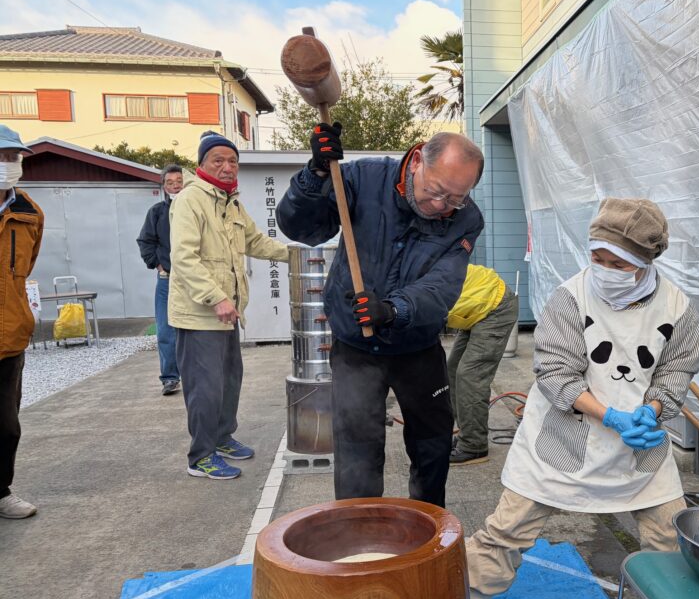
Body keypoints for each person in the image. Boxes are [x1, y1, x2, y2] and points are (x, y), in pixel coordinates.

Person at [464, 198, 699, 599]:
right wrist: (609, 415)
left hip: (639, 442)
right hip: (564, 436)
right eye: (598, 257)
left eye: (619, 262)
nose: (605, 268)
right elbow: (555, 372)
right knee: (508, 529)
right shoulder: (570, 298)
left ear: (645, 261)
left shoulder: (677, 306)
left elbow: (677, 369)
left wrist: (653, 410)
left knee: (668, 532)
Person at [277, 126, 485, 507]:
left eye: (456, 198)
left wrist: (394, 309)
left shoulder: (466, 219)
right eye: (437, 191)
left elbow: (443, 285)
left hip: (417, 345)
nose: (442, 206)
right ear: (419, 160)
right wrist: (316, 176)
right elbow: (303, 229)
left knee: (432, 446)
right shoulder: (363, 178)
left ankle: (427, 531)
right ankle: (359, 533)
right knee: (357, 448)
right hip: (355, 348)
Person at [169, 131, 288, 480]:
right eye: (217, 160)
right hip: (200, 313)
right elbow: (184, 258)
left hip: (227, 312)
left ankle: (222, 438)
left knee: (229, 380)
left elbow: (254, 241)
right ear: (201, 165)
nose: (226, 167)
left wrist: (299, 254)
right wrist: (217, 297)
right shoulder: (190, 200)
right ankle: (201, 456)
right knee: (205, 387)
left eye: (232, 161)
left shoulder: (230, 201)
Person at [0, 125, 44, 519]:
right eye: (1, 156)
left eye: (13, 157)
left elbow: (24, 268)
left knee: (6, 425)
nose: (8, 164)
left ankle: (2, 492)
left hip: (9, 334)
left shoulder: (29, 212)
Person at [447, 264, 519, 465]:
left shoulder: (413, 286)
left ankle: (474, 446)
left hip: (495, 306)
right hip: (475, 310)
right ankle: (462, 434)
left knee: (470, 375)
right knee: (452, 370)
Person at [137, 164, 184, 395]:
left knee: (196, 328)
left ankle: (195, 373)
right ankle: (170, 377)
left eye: (179, 181)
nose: (175, 185)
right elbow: (145, 241)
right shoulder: (156, 212)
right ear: (163, 186)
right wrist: (158, 263)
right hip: (167, 279)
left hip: (194, 279)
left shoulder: (195, 209)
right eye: (170, 182)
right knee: (166, 330)